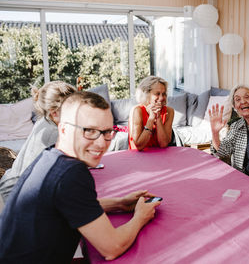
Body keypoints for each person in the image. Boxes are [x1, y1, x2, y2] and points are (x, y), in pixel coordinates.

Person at [0, 91, 161, 262]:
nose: (101, 143)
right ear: (63, 129)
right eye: (89, 130)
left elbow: (69, 204)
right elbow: (112, 247)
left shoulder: (50, 156)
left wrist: (120, 203)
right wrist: (140, 217)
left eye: (107, 132)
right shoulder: (71, 173)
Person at [0, 81, 76, 202]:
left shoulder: (45, 122)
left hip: (11, 183)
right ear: (54, 112)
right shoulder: (53, 133)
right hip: (19, 194)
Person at [128, 76, 174, 151]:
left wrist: (158, 118)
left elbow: (164, 144)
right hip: (138, 157)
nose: (162, 98)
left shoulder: (169, 111)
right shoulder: (137, 111)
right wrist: (151, 118)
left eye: (164, 94)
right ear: (146, 94)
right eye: (157, 94)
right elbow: (139, 146)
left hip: (160, 156)